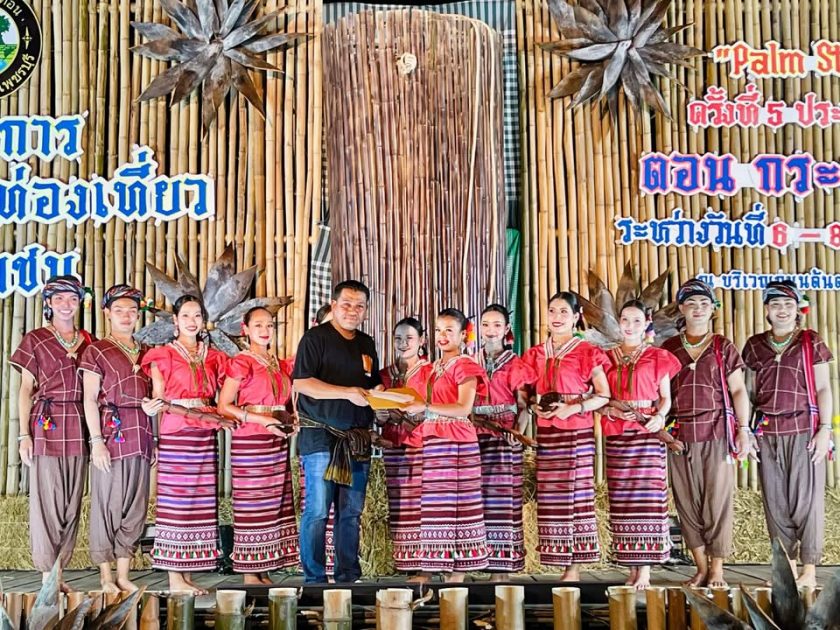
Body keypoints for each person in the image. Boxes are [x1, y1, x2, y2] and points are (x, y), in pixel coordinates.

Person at [743, 281, 834, 589]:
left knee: (806, 501)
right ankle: (787, 569)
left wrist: (825, 429)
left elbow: (823, 388)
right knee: (775, 502)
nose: (782, 310)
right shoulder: (754, 345)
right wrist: (747, 431)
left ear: (798, 310)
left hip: (804, 430)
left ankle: (809, 569)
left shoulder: (811, 341)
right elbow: (749, 393)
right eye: (775, 305)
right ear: (766, 310)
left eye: (788, 305)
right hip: (767, 432)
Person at [661, 279, 751, 588]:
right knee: (686, 502)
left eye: (704, 303)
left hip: (718, 432)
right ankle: (700, 568)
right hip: (680, 435)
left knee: (717, 501)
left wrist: (743, 430)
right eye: (691, 303)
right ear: (681, 308)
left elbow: (738, 390)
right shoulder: (669, 348)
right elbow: (661, 395)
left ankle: (717, 569)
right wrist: (661, 431)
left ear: (712, 309)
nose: (698, 309)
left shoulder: (723, 346)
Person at [293, 280, 381, 584]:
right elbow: (302, 383)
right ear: (334, 305)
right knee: (318, 509)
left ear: (366, 310)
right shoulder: (315, 338)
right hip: (321, 436)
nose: (352, 311)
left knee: (351, 512)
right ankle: (314, 580)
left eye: (359, 306)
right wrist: (347, 393)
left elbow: (372, 383)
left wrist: (382, 393)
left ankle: (348, 578)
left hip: (357, 439)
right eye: (346, 304)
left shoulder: (366, 343)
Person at [140, 295, 229, 594]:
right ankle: (173, 577)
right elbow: (159, 399)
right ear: (175, 321)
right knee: (176, 504)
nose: (192, 321)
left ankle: (187, 573)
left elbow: (220, 394)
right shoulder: (162, 355)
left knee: (199, 503)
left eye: (197, 316)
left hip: (205, 434)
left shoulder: (213, 356)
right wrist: (155, 434)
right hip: (177, 433)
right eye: (186, 316)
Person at [79, 284, 164, 593]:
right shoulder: (97, 350)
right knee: (107, 503)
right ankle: (105, 575)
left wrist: (155, 438)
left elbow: (155, 398)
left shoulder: (147, 351)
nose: (126, 316)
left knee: (135, 506)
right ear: (107, 314)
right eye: (119, 311)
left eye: (131, 311)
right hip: (111, 434)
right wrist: (96, 441)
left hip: (141, 433)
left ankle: (124, 574)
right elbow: (90, 399)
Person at [11, 276, 93, 592]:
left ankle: (59, 573)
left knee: (72, 502)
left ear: (79, 302)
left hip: (80, 423)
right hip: (47, 424)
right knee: (48, 500)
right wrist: (23, 435)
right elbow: (25, 389)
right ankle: (47, 576)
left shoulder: (89, 341)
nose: (65, 305)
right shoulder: (35, 339)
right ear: (48, 302)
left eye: (72, 298)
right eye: (58, 299)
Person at [522, 292, 610, 582]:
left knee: (577, 496)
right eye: (552, 310)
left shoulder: (588, 352)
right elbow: (526, 393)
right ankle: (558, 559)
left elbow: (603, 395)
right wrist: (533, 406)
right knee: (552, 497)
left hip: (577, 433)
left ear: (576, 317)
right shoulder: (535, 354)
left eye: (563, 311)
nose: (557, 317)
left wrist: (573, 407)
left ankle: (574, 569)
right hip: (548, 434)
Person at [403, 308, 490, 582]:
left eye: (449, 330)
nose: (442, 336)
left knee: (460, 505)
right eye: (439, 330)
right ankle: (432, 566)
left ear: (463, 335)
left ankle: (458, 572)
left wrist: (425, 407)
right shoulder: (433, 368)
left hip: (457, 441)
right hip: (433, 439)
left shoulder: (465, 366)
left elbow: (464, 408)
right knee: (434, 505)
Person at [602, 300, 681, 590]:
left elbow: (666, 398)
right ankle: (631, 566)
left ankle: (645, 569)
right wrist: (611, 411)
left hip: (647, 433)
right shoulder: (606, 358)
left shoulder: (659, 357)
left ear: (647, 323)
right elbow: (600, 398)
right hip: (618, 434)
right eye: (625, 319)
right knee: (623, 499)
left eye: (636, 320)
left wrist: (659, 417)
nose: (630, 326)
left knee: (647, 498)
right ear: (618, 321)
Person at [217, 306, 299, 585]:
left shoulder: (278, 363)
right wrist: (261, 420)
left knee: (273, 504)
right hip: (251, 440)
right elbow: (224, 405)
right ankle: (249, 572)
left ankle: (264, 569)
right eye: (259, 325)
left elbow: (284, 402)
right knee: (253, 504)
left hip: (276, 438)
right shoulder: (242, 362)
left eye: (270, 325)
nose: (265, 330)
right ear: (246, 329)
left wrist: (291, 419)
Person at [474, 305, 537, 578]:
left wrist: (516, 435)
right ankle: (480, 561)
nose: (491, 330)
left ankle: (502, 570)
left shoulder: (516, 364)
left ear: (506, 329)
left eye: (497, 325)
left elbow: (523, 406)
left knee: (503, 502)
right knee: (477, 501)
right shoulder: (470, 362)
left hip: (504, 439)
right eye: (486, 324)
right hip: (475, 437)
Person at [377, 317, 432, 573]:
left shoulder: (431, 372)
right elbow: (377, 414)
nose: (403, 343)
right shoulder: (385, 374)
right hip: (392, 444)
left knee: (422, 504)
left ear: (422, 341)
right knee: (398, 503)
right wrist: (381, 415)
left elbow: (437, 408)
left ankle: (425, 564)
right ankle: (404, 562)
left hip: (421, 445)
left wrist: (415, 415)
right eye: (398, 338)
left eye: (409, 338)